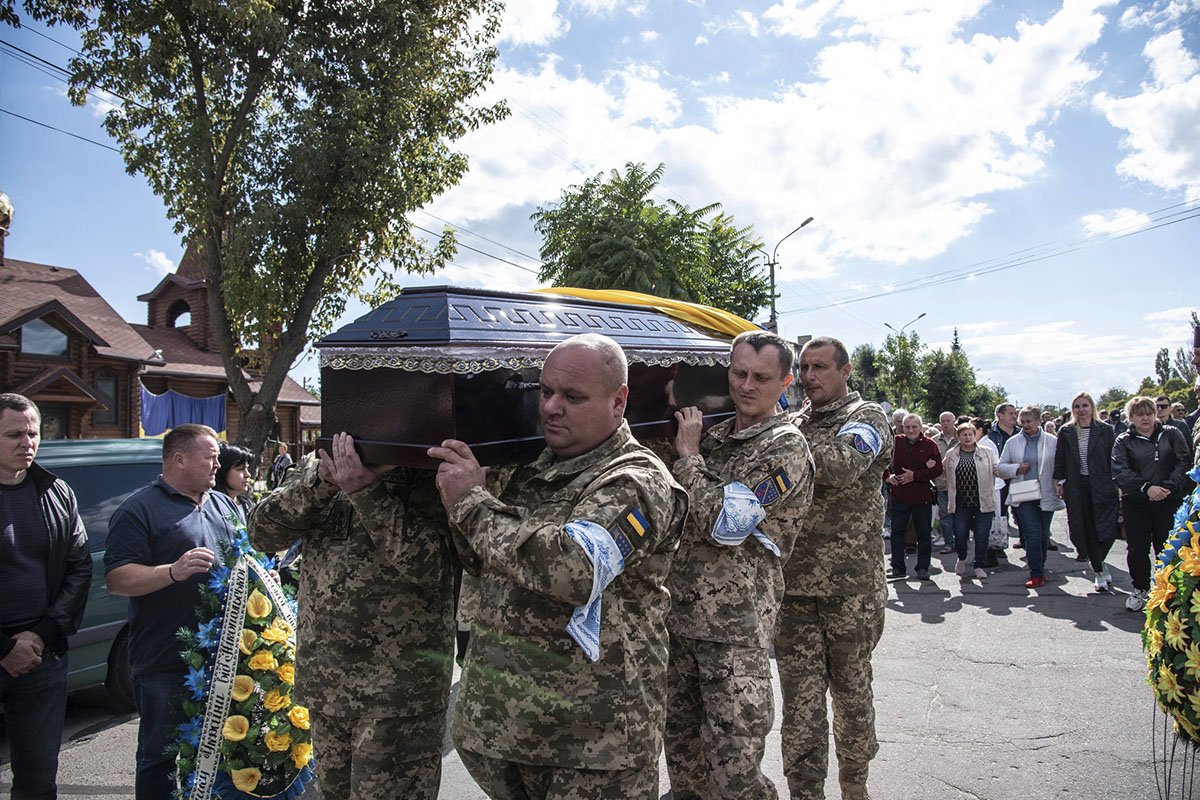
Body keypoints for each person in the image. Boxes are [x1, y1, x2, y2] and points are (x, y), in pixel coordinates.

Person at [428, 333, 688, 799]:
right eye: (545, 391)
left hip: (594, 747)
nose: (550, 407)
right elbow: (478, 558)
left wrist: (471, 502)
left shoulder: (638, 481)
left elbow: (574, 571)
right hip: (506, 733)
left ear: (618, 401)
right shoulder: (527, 468)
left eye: (572, 397)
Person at [249, 433, 455, 799]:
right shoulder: (320, 465)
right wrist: (323, 482)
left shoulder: (429, 471)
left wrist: (367, 490)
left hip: (397, 695)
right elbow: (261, 532)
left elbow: (433, 569)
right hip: (326, 686)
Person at [664, 331, 814, 799]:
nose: (746, 386)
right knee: (684, 764)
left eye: (761, 377)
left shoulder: (786, 448)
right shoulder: (714, 434)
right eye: (738, 373)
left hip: (735, 632)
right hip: (678, 621)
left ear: (786, 381)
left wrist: (687, 458)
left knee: (735, 773)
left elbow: (727, 524)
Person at [776, 336, 892, 800]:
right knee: (800, 703)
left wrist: (776, 450)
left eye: (819, 367)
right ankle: (806, 792)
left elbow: (842, 465)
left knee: (851, 693)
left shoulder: (867, 418)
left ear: (845, 371)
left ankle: (855, 786)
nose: (809, 377)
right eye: (803, 368)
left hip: (852, 588)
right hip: (794, 589)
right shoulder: (793, 423)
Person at [104, 424, 241, 799]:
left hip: (225, 659)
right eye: (210, 457)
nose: (218, 464)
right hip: (166, 660)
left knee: (222, 755)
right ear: (178, 459)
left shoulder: (224, 505)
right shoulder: (138, 509)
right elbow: (117, 578)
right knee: (160, 758)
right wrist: (172, 571)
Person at [0, 393, 92, 800]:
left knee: (38, 783)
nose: (27, 442)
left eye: (34, 433)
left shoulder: (57, 492)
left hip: (43, 657)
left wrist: (39, 635)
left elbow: (79, 567)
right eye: (14, 434)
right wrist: (4, 647)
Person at [1112, 395, 1191, 612]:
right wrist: (1147, 488)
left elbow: (1184, 461)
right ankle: (1140, 588)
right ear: (1131, 417)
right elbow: (1120, 471)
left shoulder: (1172, 434)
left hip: (1168, 499)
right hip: (1136, 502)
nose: (1145, 418)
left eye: (1149, 412)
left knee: (1166, 547)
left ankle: (1167, 591)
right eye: (1139, 414)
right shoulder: (1123, 441)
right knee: (1137, 548)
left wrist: (1168, 487)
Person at [1053, 392, 1119, 592]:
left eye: (1085, 406)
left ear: (1092, 408)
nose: (1081, 410)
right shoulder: (1067, 431)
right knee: (1087, 527)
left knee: (1108, 530)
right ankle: (1099, 570)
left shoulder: (1105, 430)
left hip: (1103, 484)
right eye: (1077, 407)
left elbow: (1114, 457)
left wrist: (1118, 483)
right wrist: (1058, 481)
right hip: (1077, 485)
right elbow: (1060, 458)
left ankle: (1100, 560)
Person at [997, 406, 1065, 589]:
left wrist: (1061, 484)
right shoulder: (1013, 442)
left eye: (1029, 421)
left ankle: (1040, 567)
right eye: (1022, 422)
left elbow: (1061, 465)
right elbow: (1000, 467)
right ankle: (1036, 573)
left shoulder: (1052, 441)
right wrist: (1016, 468)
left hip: (1046, 493)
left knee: (1043, 534)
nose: (1025, 425)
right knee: (1032, 534)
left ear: (1038, 421)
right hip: (1023, 494)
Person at [884, 413, 942, 580]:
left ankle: (923, 568)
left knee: (924, 534)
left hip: (921, 497)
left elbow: (937, 469)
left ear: (920, 427)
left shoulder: (930, 445)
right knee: (897, 534)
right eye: (907, 427)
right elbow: (879, 461)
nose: (910, 430)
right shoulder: (895, 442)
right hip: (899, 496)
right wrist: (888, 477)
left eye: (914, 426)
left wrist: (915, 476)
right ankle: (897, 568)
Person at [943, 421, 1001, 580]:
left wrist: (1012, 470)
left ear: (975, 435)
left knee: (981, 536)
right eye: (964, 435)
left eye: (970, 434)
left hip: (982, 501)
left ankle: (979, 565)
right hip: (960, 503)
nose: (968, 437)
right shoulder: (952, 454)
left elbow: (997, 468)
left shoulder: (987, 452)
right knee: (960, 534)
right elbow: (943, 472)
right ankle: (961, 558)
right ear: (958, 437)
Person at [931, 411, 958, 554]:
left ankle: (961, 541)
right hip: (941, 483)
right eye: (943, 421)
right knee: (945, 514)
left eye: (948, 420)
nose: (946, 424)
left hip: (961, 483)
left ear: (954, 421)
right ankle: (949, 543)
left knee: (960, 513)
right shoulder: (934, 440)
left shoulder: (962, 437)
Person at [215, 442, 255, 523]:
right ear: (222, 471)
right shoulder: (212, 508)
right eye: (240, 469)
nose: (248, 475)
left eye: (247, 469)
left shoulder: (248, 505)